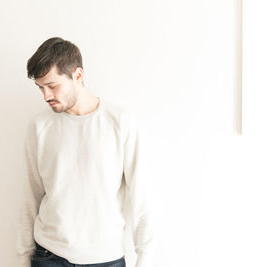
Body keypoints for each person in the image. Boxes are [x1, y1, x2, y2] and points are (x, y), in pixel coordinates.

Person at [16, 37, 154, 267]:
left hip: (105, 259)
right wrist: (21, 258)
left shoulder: (120, 123)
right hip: (49, 256)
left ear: (77, 75)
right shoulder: (39, 127)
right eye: (40, 87)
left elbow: (141, 198)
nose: (46, 96)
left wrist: (145, 259)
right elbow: (30, 196)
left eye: (52, 85)